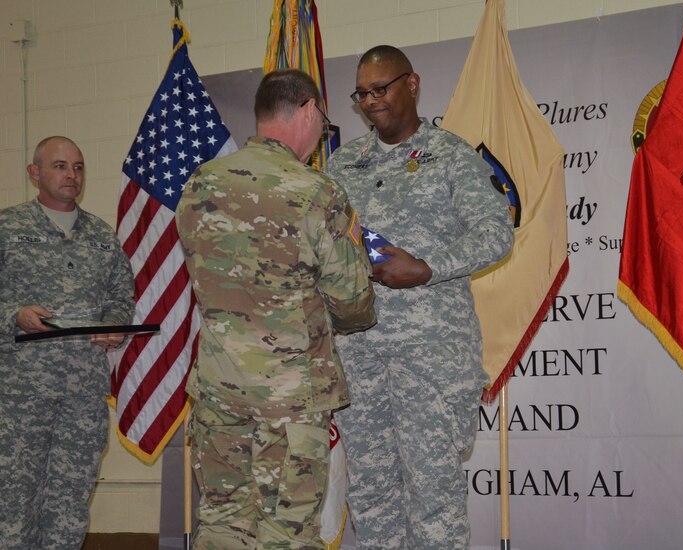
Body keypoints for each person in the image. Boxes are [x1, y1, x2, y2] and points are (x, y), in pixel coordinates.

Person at [176, 69, 376, 550]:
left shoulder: (200, 184)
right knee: (286, 533)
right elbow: (352, 299)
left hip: (218, 392)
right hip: (290, 399)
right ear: (308, 109)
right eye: (322, 119)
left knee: (222, 523)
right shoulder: (317, 191)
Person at [326, 45, 514, 549]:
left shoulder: (451, 155)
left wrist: (428, 269)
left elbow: (497, 233)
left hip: (431, 360)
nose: (369, 101)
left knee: (434, 500)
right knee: (370, 496)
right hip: (360, 358)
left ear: (412, 84)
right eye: (361, 93)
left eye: (379, 88)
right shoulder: (343, 164)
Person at [0, 136, 136, 549]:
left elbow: (120, 298)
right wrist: (13, 315)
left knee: (71, 497)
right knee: (14, 497)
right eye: (59, 166)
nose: (70, 175)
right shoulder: (8, 227)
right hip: (21, 393)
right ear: (34, 173)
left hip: (83, 391)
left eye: (77, 167)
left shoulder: (101, 235)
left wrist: (114, 325)